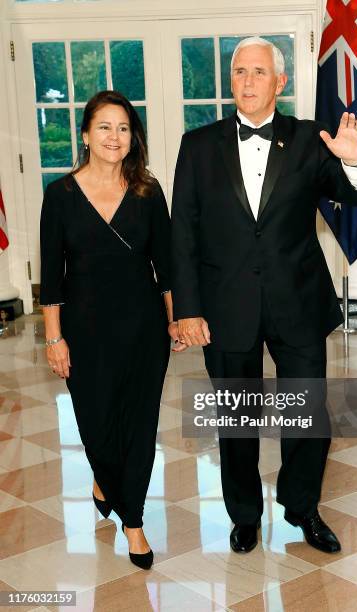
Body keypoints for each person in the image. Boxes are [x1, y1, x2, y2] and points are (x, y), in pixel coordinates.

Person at [171, 37, 357, 555]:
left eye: (258, 72)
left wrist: (355, 162)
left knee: (308, 414)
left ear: (280, 82)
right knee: (236, 422)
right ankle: (244, 515)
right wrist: (188, 309)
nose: (246, 81)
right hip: (224, 306)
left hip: (298, 300)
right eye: (239, 71)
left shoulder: (312, 139)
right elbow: (183, 234)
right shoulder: (197, 146)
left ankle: (302, 507)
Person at [40, 90, 185, 570]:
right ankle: (104, 477)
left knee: (139, 427)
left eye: (123, 128)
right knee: (97, 425)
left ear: (133, 137)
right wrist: (54, 337)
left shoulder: (148, 192)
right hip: (84, 332)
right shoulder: (59, 196)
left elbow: (165, 267)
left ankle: (135, 522)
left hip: (143, 328)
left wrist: (174, 318)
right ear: (85, 134)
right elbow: (51, 275)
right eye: (104, 126)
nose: (114, 137)